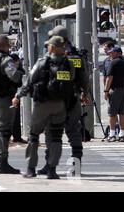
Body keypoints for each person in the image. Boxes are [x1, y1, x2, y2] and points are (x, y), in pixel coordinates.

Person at [13, 36, 75, 179]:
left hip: (42, 104)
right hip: (60, 104)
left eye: (48, 45)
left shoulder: (42, 63)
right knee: (56, 137)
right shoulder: (68, 64)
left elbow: (29, 82)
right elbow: (71, 81)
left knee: (34, 136)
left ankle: (31, 169)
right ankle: (52, 169)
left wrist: (18, 96)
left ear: (52, 47)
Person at [37, 25, 89, 176]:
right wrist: (85, 93)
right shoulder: (77, 58)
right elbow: (84, 79)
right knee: (74, 132)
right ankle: (76, 167)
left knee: (51, 133)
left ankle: (49, 165)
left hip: (53, 101)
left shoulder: (51, 56)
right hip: (72, 99)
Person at [0, 35, 24, 174]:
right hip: (5, 99)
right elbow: (14, 76)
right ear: (6, 45)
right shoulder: (6, 60)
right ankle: (3, 163)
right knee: (4, 130)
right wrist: (21, 73)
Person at [102, 41, 124, 140]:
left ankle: (112, 134)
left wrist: (106, 91)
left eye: (112, 52)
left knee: (112, 113)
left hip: (115, 90)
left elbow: (109, 78)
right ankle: (122, 134)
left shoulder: (113, 62)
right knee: (123, 113)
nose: (110, 54)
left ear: (117, 53)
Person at [9, 53, 27, 144]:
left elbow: (22, 78)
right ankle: (9, 137)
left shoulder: (19, 70)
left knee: (16, 117)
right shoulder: (8, 68)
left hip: (15, 95)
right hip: (9, 94)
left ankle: (17, 137)